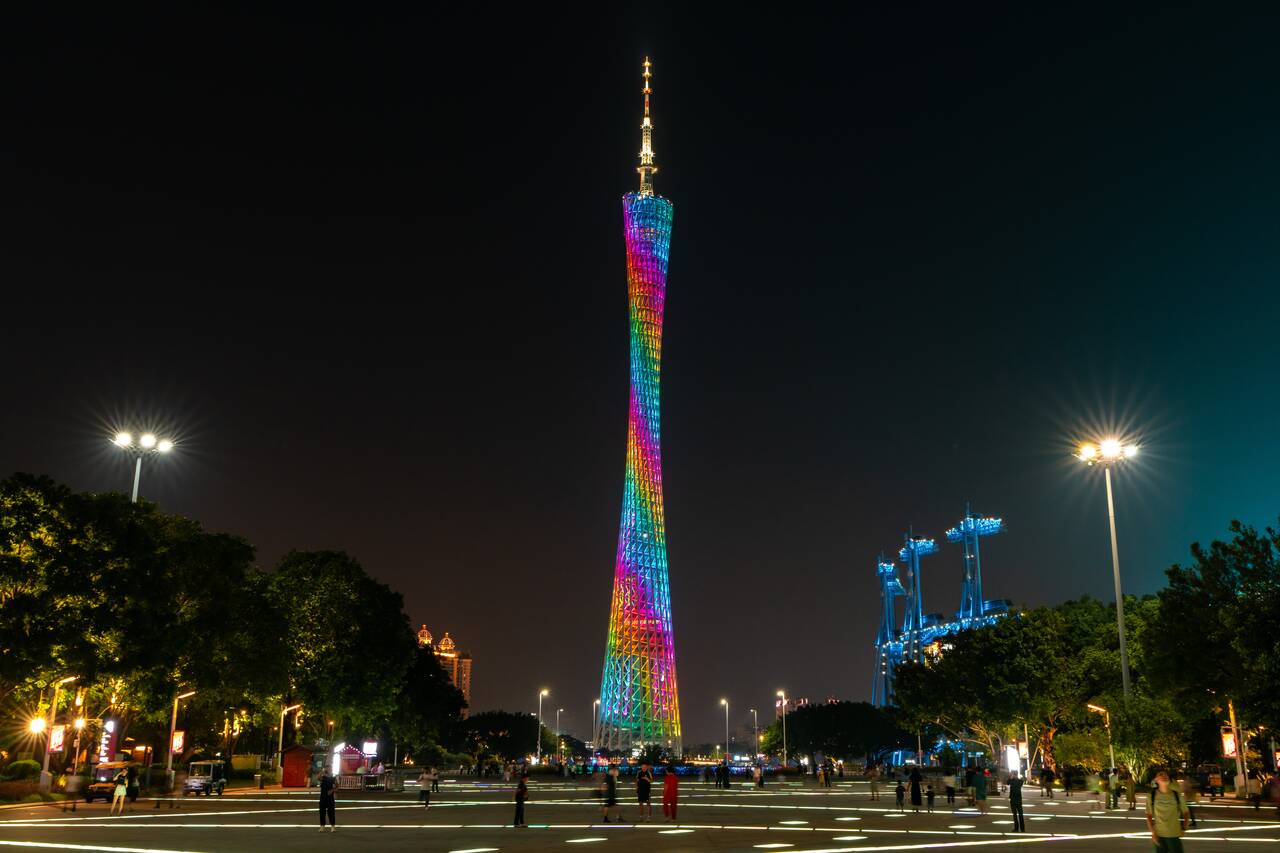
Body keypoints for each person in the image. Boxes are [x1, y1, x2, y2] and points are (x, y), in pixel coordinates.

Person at [1147, 770, 1190, 852]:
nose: (1164, 775)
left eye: (1166, 775)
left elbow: (1186, 812)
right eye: (1160, 774)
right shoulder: (1151, 796)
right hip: (1159, 836)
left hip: (1174, 835)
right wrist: (1153, 833)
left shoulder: (1176, 795)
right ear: (1156, 780)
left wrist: (1184, 828)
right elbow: (1148, 815)